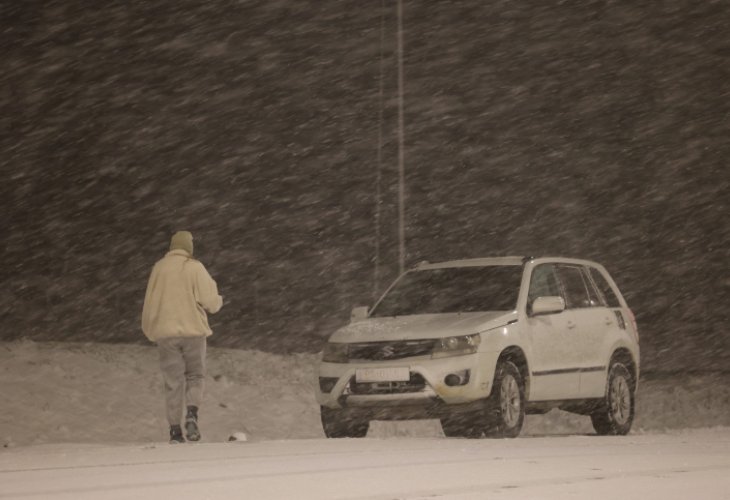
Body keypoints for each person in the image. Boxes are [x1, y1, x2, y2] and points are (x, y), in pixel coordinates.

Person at [142, 231, 223, 443]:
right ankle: (192, 414)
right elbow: (211, 302)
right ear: (189, 247)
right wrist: (217, 298)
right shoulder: (195, 267)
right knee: (195, 376)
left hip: (166, 334)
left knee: (173, 381)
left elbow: (150, 303)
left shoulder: (159, 268)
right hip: (193, 331)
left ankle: (175, 431)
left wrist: (151, 330)